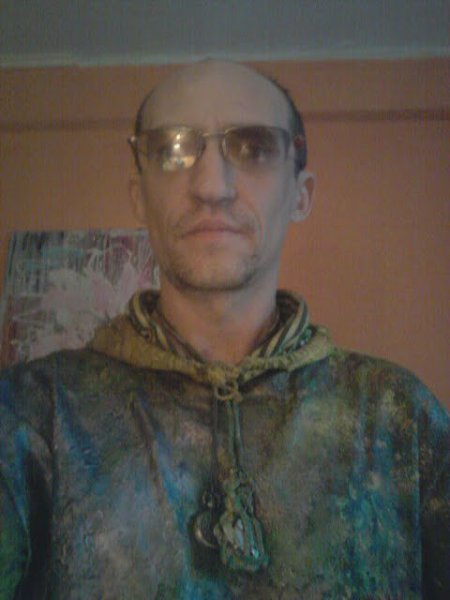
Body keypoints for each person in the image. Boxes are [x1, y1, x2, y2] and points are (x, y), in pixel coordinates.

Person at [0, 60, 448, 599]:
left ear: (301, 194)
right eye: (172, 150)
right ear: (139, 196)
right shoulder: (31, 415)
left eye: (254, 148)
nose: (211, 187)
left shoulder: (401, 417)